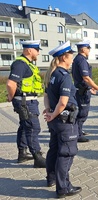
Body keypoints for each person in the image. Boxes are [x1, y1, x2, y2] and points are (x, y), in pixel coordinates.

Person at [43, 41, 81, 198]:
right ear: (64, 57)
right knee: (66, 154)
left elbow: (46, 95)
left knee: (54, 149)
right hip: (65, 122)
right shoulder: (64, 76)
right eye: (71, 56)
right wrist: (53, 113)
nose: (72, 59)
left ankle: (51, 178)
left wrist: (48, 111)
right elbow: (64, 102)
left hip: (55, 121)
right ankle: (63, 188)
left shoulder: (52, 74)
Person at [6, 40, 46, 168]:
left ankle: (22, 154)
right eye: (37, 50)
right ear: (29, 50)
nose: (38, 53)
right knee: (33, 128)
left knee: (24, 126)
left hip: (27, 100)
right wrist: (11, 97)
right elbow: (10, 84)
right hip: (25, 102)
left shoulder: (27, 64)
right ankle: (38, 157)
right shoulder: (20, 64)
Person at [72, 40, 98, 142]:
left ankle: (79, 131)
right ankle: (77, 134)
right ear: (83, 49)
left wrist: (90, 88)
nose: (89, 50)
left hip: (82, 89)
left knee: (81, 113)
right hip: (82, 92)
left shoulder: (78, 59)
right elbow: (86, 78)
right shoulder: (81, 60)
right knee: (82, 114)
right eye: (88, 48)